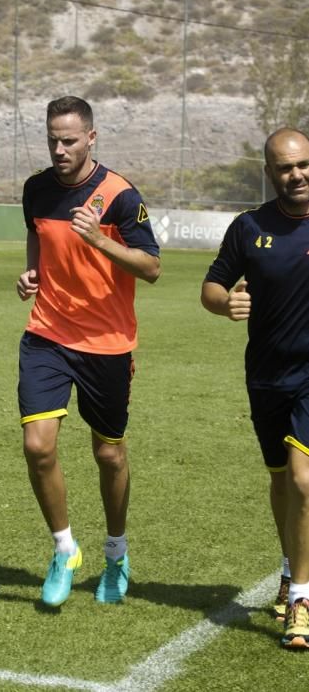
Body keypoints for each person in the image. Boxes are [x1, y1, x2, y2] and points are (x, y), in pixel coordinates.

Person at [16, 96, 161, 607]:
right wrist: (32, 272)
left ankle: (116, 554)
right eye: (53, 139)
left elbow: (150, 267)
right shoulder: (36, 189)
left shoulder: (120, 195)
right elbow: (37, 237)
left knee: (109, 452)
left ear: (92, 138)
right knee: (38, 445)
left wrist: (100, 242)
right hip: (47, 333)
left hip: (106, 344)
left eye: (69, 140)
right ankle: (64, 549)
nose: (59, 149)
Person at [201, 126, 309, 648]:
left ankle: (301, 601)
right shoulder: (249, 227)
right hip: (265, 375)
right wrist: (224, 303)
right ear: (270, 173)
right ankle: (291, 565)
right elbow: (213, 283)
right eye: (286, 167)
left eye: (304, 164)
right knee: (281, 482)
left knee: (304, 479)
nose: (297, 174)